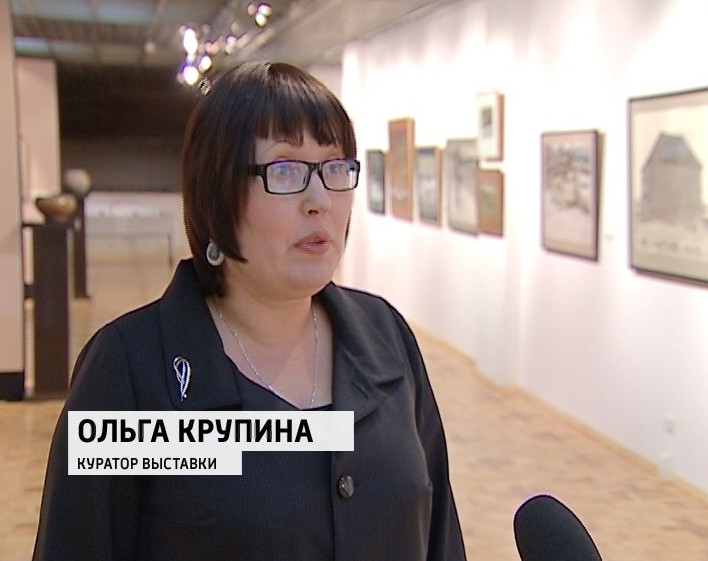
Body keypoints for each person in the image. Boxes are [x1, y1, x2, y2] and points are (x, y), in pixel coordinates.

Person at [32, 61, 467, 561]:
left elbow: (441, 539)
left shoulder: (385, 336)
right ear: (217, 191)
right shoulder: (129, 371)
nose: (320, 200)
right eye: (285, 171)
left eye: (335, 168)